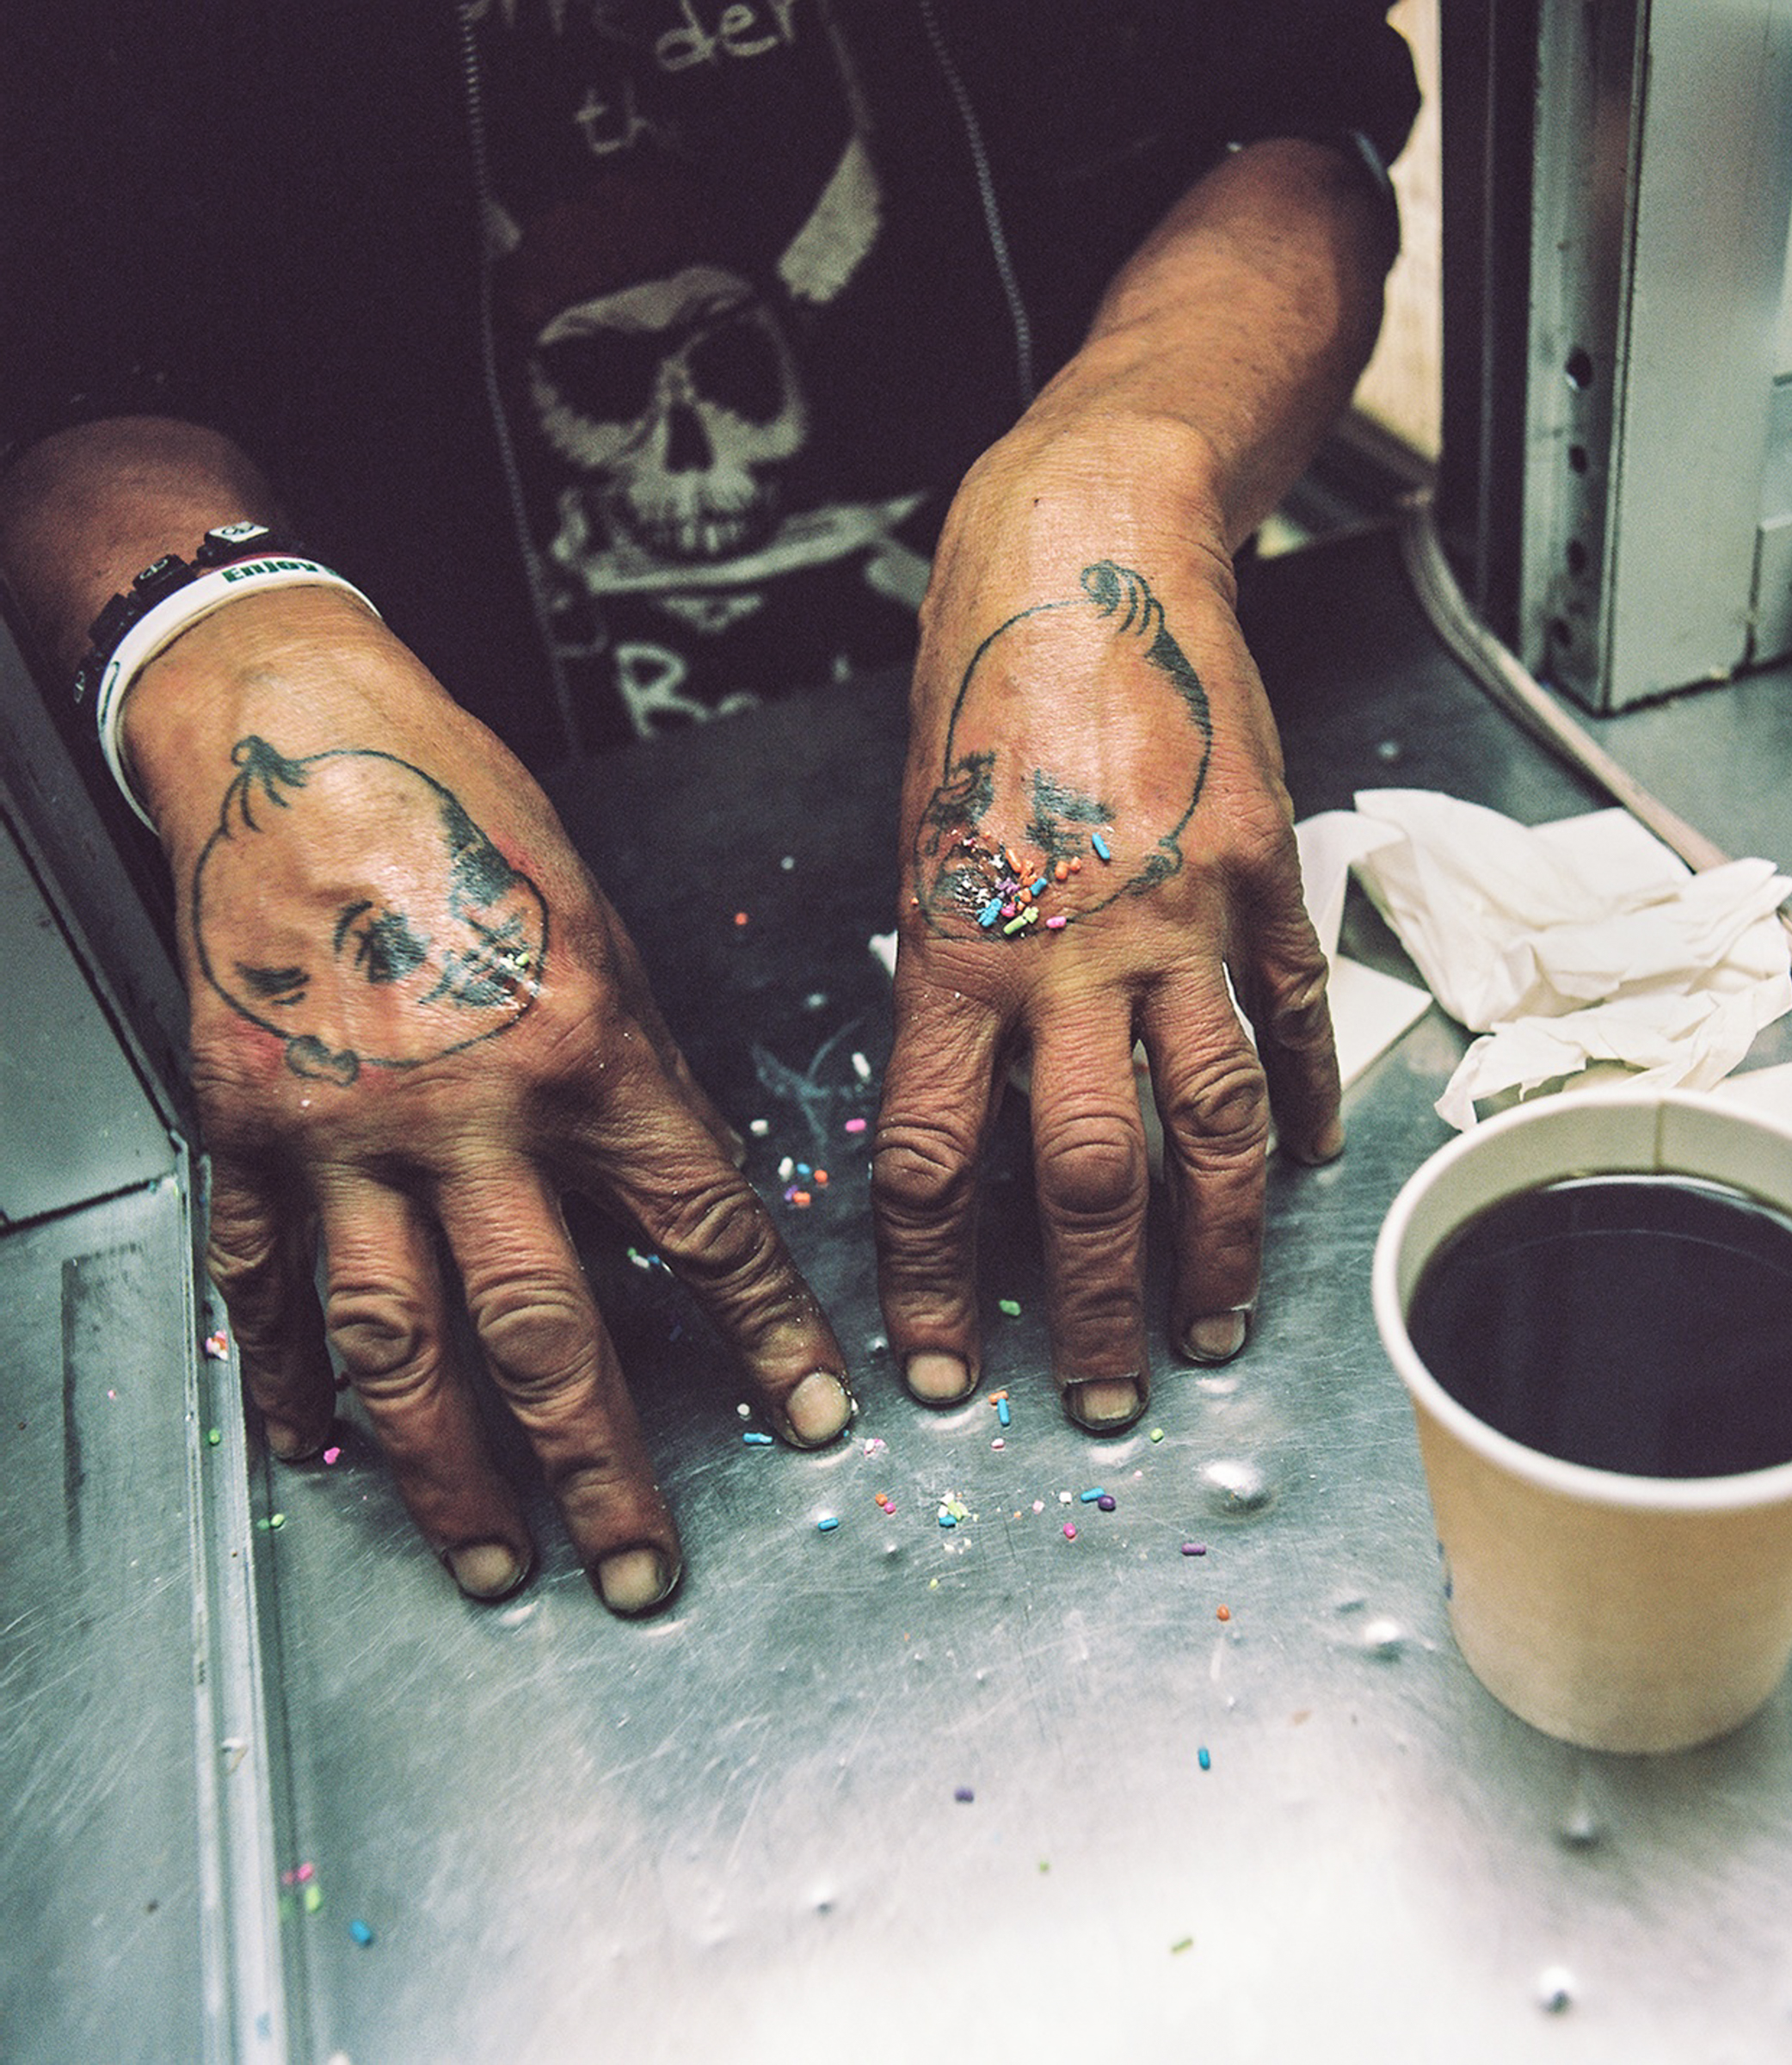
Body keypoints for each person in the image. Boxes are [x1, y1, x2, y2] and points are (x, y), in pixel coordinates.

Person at [0, 2, 1418, 1614]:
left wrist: (1126, 466)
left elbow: (1296, 119)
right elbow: (53, 338)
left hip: (1082, 757)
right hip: (439, 895)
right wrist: (225, 651)